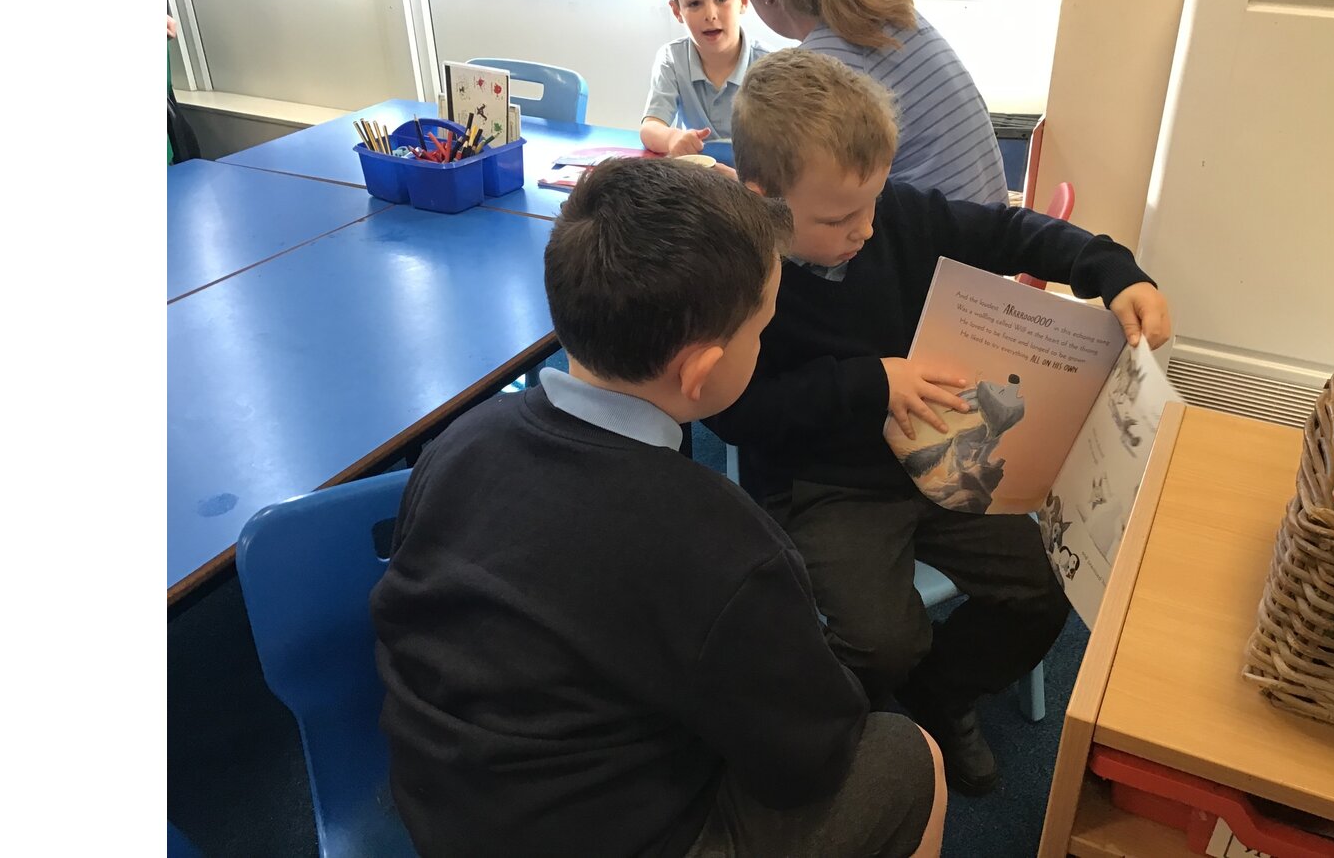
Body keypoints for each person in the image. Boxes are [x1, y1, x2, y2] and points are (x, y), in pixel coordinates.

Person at [371, 157, 946, 858]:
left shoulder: (460, 442)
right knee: (909, 757)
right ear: (701, 371)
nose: (764, 343)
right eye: (760, 331)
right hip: (632, 833)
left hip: (443, 808)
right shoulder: (726, 544)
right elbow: (809, 761)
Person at [706, 49, 1173, 795]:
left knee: (1047, 586)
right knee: (881, 640)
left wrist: (1111, 269)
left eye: (872, 202)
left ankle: (943, 691)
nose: (865, 229)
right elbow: (737, 413)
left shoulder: (895, 216)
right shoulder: (736, 273)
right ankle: (849, 722)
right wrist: (871, 384)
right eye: (838, 218)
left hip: (938, 455)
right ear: (762, 197)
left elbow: (1010, 231)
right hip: (827, 485)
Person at [731, 0, 1008, 205]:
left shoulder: (823, 68)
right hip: (988, 227)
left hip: (937, 238)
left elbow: (807, 205)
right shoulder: (900, 15)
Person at [641, 0, 772, 157]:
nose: (710, 15)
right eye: (694, 3)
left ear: (743, 1)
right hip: (696, 172)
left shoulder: (769, 66)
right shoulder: (672, 59)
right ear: (677, 11)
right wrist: (673, 138)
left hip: (751, 175)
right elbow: (650, 128)